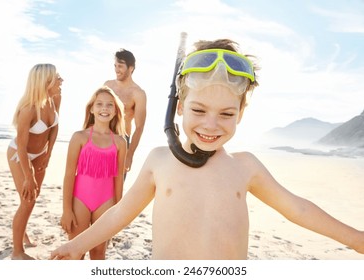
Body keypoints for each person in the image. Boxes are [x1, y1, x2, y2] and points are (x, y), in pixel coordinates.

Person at [51, 39, 364, 260]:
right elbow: (119, 213)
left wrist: (355, 239)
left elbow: (298, 208)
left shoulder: (245, 167)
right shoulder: (160, 160)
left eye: (226, 114)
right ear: (178, 108)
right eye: (198, 110)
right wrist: (78, 245)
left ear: (240, 113)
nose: (211, 125)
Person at [60, 86, 127, 260]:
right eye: (99, 104)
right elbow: (69, 175)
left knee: (98, 253)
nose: (104, 108)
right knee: (76, 253)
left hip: (106, 201)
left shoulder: (120, 142)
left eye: (109, 105)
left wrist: (118, 209)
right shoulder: (80, 137)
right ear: (91, 108)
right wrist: (67, 210)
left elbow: (118, 177)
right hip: (79, 200)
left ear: (115, 110)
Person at [7, 63, 63, 260]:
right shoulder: (28, 109)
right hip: (19, 154)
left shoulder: (55, 98)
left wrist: (48, 153)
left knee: (31, 199)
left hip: (40, 154)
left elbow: (55, 127)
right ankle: (17, 252)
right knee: (28, 199)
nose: (61, 80)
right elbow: (21, 147)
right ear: (45, 81)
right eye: (57, 77)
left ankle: (22, 233)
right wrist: (28, 176)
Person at [104, 49, 147, 174]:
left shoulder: (138, 93)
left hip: (121, 142)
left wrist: (129, 155)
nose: (117, 69)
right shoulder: (107, 85)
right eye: (115, 66)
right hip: (99, 137)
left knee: (115, 189)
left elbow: (139, 127)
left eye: (121, 66)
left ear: (131, 68)